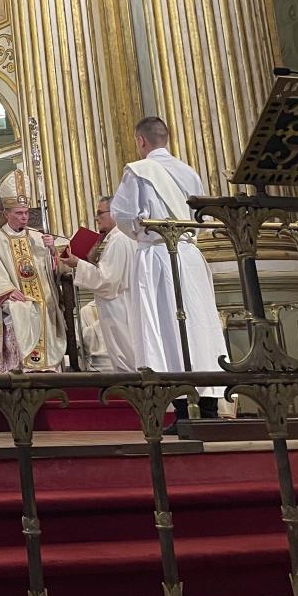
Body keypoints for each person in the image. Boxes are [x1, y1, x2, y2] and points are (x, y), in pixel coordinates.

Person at [110, 116, 227, 410]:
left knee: (163, 326)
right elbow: (205, 219)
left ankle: (180, 407)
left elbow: (123, 216)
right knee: (198, 326)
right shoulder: (190, 173)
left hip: (157, 256)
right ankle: (210, 405)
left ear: (141, 141)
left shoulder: (138, 171)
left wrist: (141, 231)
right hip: (190, 256)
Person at [0, 174, 67, 372]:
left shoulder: (38, 237)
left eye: (26, 212)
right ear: (7, 214)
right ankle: (22, 368)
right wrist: (6, 290)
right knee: (19, 309)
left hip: (43, 298)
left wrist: (52, 251)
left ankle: (46, 367)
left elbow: (53, 271)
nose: (24, 217)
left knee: (43, 303)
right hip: (16, 296)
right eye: (19, 213)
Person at [58, 196, 141, 373]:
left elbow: (106, 281)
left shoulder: (119, 240)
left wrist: (77, 263)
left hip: (119, 307)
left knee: (126, 358)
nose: (97, 218)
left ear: (115, 213)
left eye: (100, 213)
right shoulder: (123, 238)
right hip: (124, 304)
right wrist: (89, 260)